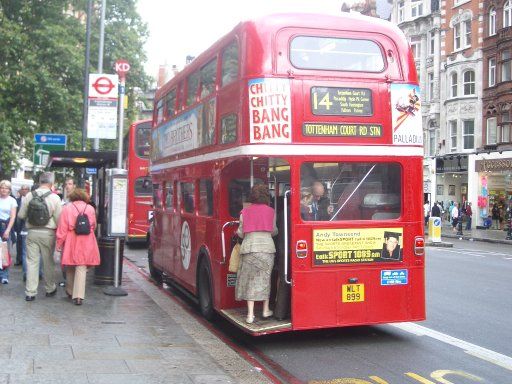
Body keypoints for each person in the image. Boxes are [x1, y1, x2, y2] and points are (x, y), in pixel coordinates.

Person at [235, 184, 278, 324]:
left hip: (249, 248)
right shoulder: (271, 211)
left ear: (252, 196)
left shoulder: (244, 212)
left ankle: (250, 315)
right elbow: (274, 231)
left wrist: (240, 233)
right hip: (267, 250)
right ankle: (265, 310)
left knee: (250, 280)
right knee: (265, 279)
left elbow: (241, 232)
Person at [18, 172, 62, 301]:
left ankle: (30, 292)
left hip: (31, 233)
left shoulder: (29, 195)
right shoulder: (55, 198)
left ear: (39, 181)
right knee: (48, 261)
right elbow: (59, 220)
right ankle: (50, 289)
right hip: (48, 233)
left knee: (31, 262)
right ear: (51, 183)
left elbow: (21, 215)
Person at [56, 188, 100, 305]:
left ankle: (70, 291)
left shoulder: (67, 208)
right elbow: (93, 225)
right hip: (87, 239)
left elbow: (62, 227)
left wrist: (59, 243)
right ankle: (79, 296)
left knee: (70, 265)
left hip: (71, 238)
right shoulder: (90, 208)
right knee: (81, 266)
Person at [0, 180, 18, 284]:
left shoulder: (12, 201)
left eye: (6, 188)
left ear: (9, 190)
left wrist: (8, 230)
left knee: (5, 252)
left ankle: (4, 275)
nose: (3, 190)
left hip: (5, 226)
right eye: (2, 187)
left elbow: (13, 216)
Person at [14, 185, 30, 266]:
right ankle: (18, 259)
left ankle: (25, 260)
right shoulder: (17, 200)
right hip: (18, 224)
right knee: (19, 242)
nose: (24, 191)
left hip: (26, 224)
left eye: (25, 189)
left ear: (28, 190)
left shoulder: (30, 200)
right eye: (22, 189)